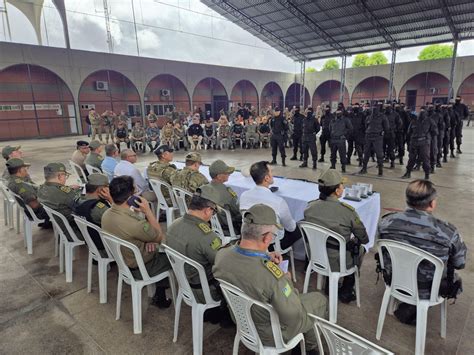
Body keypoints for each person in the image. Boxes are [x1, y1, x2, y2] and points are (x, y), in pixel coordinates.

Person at [213, 204, 328, 354]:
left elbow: (244, 260)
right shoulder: (273, 278)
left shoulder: (221, 255)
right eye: (273, 235)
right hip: (270, 334)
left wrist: (265, 256)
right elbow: (293, 316)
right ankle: (308, 348)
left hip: (242, 322)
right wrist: (287, 281)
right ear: (267, 237)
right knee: (319, 300)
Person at [377, 180, 467, 323]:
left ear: (407, 200)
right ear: (432, 204)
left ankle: (409, 306)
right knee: (455, 278)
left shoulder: (386, 223)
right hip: (429, 289)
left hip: (395, 279)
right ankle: (413, 308)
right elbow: (460, 263)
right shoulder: (447, 232)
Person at [101, 176, 171, 308]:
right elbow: (159, 237)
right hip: (139, 267)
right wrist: (148, 212)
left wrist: (147, 241)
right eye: (136, 190)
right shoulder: (135, 224)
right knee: (170, 254)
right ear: (131, 197)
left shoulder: (107, 214)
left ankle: (160, 295)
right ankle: (160, 297)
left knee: (154, 246)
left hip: (124, 260)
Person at [166, 185, 232, 324]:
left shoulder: (173, 225)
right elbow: (223, 264)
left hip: (185, 284)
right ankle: (227, 317)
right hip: (205, 291)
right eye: (213, 212)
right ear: (208, 210)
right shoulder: (205, 236)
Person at [304, 169, 368, 302]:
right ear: (337, 191)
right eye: (342, 185)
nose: (343, 188)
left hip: (315, 256)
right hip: (337, 261)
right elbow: (363, 238)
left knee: (330, 245)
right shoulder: (348, 212)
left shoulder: (309, 207)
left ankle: (329, 284)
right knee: (360, 249)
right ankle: (346, 288)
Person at [240, 161, 301, 250]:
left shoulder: (244, 195)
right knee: (299, 227)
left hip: (250, 239)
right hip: (271, 244)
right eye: (271, 172)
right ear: (267, 178)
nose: (273, 174)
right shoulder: (278, 202)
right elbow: (291, 227)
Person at [37, 162, 82, 239]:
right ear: (60, 176)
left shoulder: (41, 188)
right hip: (73, 229)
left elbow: (58, 195)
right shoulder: (65, 193)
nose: (65, 178)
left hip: (61, 227)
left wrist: (69, 189)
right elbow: (81, 206)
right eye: (65, 175)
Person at [72, 173, 112, 253]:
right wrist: (111, 200)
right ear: (101, 190)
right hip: (106, 249)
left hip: (93, 245)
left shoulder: (78, 199)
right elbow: (117, 222)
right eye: (107, 186)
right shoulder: (99, 208)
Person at [6, 158, 50, 226]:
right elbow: (34, 205)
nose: (26, 169)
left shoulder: (12, 180)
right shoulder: (21, 185)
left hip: (30, 211)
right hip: (39, 212)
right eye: (24, 168)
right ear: (19, 170)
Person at [206, 160, 241, 232]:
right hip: (228, 228)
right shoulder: (227, 192)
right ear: (219, 176)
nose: (229, 174)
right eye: (226, 173)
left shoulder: (204, 189)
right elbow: (237, 211)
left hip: (210, 225)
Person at [402, 107, 436, 180]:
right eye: (420, 111)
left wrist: (428, 139)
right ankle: (408, 173)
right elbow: (409, 132)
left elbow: (434, 132)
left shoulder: (430, 121)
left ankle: (427, 174)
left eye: (423, 111)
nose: (421, 113)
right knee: (411, 159)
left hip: (424, 143)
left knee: (425, 159)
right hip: (414, 142)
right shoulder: (413, 121)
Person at [359, 102, 389, 176]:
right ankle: (364, 168)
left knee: (379, 154)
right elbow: (366, 126)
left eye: (376, 107)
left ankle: (380, 170)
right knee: (366, 153)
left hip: (377, 137)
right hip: (368, 136)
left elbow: (386, 127)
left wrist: (382, 133)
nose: (374, 109)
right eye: (373, 107)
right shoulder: (369, 117)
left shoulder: (383, 116)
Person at [329, 106, 352, 173]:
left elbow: (350, 129)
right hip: (333, 139)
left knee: (342, 154)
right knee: (333, 154)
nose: (338, 113)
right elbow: (330, 129)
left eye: (339, 112)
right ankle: (333, 165)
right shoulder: (333, 120)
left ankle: (343, 167)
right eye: (337, 112)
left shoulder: (346, 120)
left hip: (341, 140)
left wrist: (344, 134)